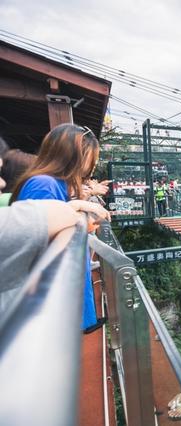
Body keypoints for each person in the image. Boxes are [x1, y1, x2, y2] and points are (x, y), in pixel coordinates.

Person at [11, 123, 105, 333]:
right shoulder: (43, 184)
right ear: (73, 155)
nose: (94, 162)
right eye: (91, 155)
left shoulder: (53, 183)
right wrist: (76, 207)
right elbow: (36, 233)